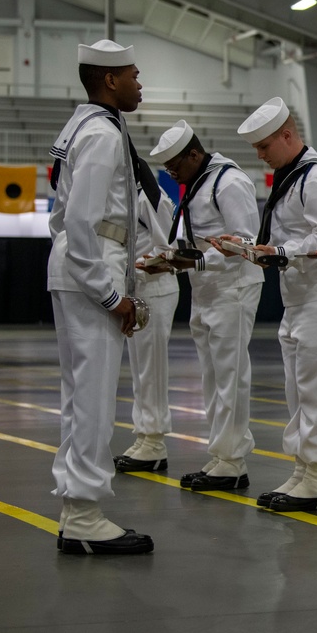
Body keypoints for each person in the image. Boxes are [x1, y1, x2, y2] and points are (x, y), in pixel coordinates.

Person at [48, 39, 153, 554]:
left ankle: (76, 509)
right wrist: (112, 296)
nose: (140, 82)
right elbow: (80, 221)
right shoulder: (100, 133)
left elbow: (60, 217)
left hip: (76, 269)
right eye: (133, 74)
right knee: (90, 399)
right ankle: (85, 514)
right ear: (109, 80)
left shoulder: (83, 126)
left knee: (78, 398)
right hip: (89, 274)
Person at [233, 97, 317, 511]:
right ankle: (303, 471)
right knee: (299, 391)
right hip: (301, 296)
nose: (260, 155)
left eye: (264, 146)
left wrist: (280, 251)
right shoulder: (292, 177)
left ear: (287, 135)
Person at [149, 120, 264, 491]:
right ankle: (221, 455)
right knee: (212, 377)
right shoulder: (198, 184)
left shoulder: (228, 181)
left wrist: (197, 261)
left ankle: (232, 462)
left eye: (175, 167)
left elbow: (247, 242)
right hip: (207, 288)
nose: (172, 174)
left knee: (230, 375)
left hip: (234, 287)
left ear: (195, 155)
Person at [113, 169, 181, 473]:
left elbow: (169, 246)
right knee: (141, 370)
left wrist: (146, 260)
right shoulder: (129, 196)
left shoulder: (149, 198)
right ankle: (144, 435)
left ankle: (154, 441)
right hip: (137, 287)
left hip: (156, 287)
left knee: (151, 369)